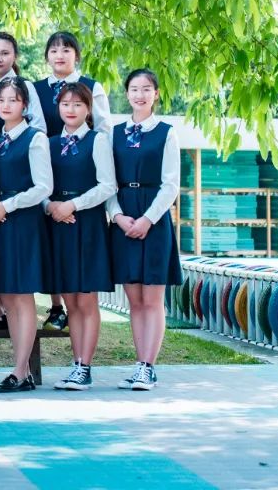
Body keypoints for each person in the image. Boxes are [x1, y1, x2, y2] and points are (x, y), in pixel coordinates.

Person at [107, 69, 181, 391]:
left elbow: (171, 184)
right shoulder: (114, 134)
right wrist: (117, 216)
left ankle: (148, 367)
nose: (140, 95)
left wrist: (148, 219)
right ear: (127, 94)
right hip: (124, 217)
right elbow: (107, 181)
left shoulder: (166, 133)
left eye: (146, 89)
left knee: (152, 298)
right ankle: (139, 364)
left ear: (156, 94)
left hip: (154, 218)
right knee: (134, 300)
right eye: (134, 89)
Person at [45, 82, 117, 391]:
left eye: (77, 104)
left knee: (86, 299)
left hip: (86, 223)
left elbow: (107, 185)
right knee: (71, 301)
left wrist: (72, 205)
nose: (70, 110)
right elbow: (41, 185)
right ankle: (76, 363)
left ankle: (85, 366)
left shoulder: (97, 140)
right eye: (65, 104)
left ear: (88, 109)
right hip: (58, 223)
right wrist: (51, 207)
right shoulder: (49, 143)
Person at [0, 77, 52, 393]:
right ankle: (19, 368)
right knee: (9, 298)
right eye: (1, 100)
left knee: (22, 296)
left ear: (25, 104)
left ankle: (22, 371)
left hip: (22, 222)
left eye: (13, 99)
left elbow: (43, 187)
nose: (6, 105)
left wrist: (7, 206)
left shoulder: (35, 138)